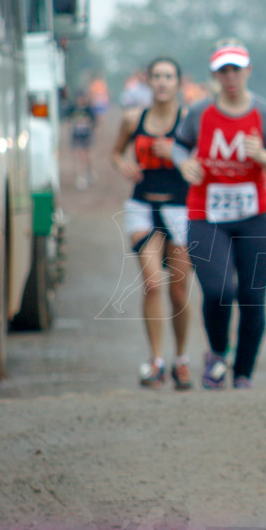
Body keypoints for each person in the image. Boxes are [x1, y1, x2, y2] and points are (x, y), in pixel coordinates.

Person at [173, 39, 266, 390]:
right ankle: (217, 352)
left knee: (253, 297)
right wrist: (185, 165)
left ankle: (243, 374)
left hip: (255, 215)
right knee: (219, 289)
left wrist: (265, 158)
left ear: (248, 71)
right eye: (223, 70)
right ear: (215, 75)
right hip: (206, 213)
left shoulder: (265, 114)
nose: (230, 76)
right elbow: (180, 146)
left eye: (236, 69)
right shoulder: (199, 113)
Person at [110, 57, 192, 389]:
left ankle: (182, 359)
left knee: (178, 289)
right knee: (153, 283)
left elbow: (202, 162)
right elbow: (116, 152)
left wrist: (175, 154)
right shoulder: (133, 119)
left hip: (181, 207)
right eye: (156, 76)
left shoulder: (188, 122)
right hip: (143, 205)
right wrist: (122, 164)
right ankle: (156, 359)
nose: (161, 82)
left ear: (178, 83)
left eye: (168, 77)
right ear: (148, 82)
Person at [68, 93, 97, 190]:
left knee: (88, 155)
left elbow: (94, 121)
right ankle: (82, 176)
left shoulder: (88, 110)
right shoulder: (73, 109)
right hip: (77, 135)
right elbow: (68, 119)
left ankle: (90, 172)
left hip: (86, 135)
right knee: (80, 156)